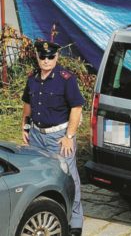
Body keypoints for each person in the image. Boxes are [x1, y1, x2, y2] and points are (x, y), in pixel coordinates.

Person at [21, 40, 85, 236]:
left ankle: (75, 224)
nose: (46, 60)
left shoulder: (66, 79)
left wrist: (69, 136)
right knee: (37, 176)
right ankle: (43, 212)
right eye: (43, 56)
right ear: (38, 57)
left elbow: (76, 107)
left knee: (68, 179)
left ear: (57, 57)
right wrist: (25, 126)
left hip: (59, 138)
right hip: (37, 136)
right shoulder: (32, 78)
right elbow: (27, 103)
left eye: (50, 57)